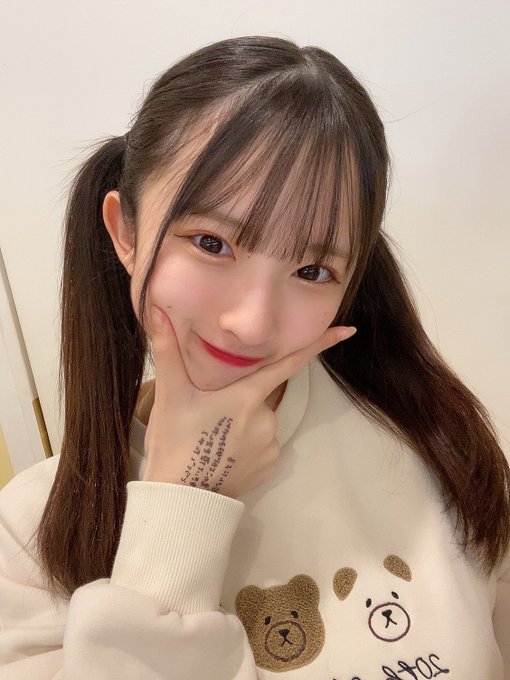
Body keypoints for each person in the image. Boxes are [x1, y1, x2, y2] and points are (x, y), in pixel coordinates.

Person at [0, 35, 508, 680]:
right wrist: (182, 502)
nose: (251, 323)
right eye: (211, 242)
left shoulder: (438, 449)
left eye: (312, 270)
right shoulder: (29, 538)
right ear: (125, 231)